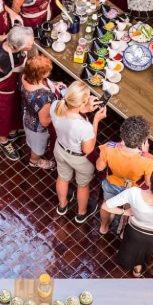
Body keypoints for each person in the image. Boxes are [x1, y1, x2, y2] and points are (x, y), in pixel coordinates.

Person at [51, 81, 106, 223]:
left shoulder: (55, 105)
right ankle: (81, 214)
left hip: (60, 149)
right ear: (81, 104)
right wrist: (96, 121)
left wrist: (84, 109)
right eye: (87, 99)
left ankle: (62, 206)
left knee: (62, 178)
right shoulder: (84, 127)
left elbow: (71, 116)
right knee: (82, 186)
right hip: (79, 159)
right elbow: (88, 149)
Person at [96, 116, 153, 235]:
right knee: (129, 209)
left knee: (107, 204)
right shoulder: (149, 160)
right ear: (144, 141)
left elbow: (99, 167)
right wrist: (145, 153)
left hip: (111, 184)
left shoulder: (109, 147)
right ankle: (123, 228)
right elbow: (148, 182)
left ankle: (103, 227)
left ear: (122, 134)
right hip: (131, 190)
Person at [0, 26, 34, 161]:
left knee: (15, 110)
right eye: (29, 43)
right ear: (17, 46)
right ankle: (4, 141)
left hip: (13, 87)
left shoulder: (16, 45)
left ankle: (13, 132)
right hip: (1, 93)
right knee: (2, 117)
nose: (31, 44)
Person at [21, 55, 64, 170]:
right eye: (47, 71)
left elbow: (41, 84)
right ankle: (34, 161)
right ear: (41, 74)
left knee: (31, 139)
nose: (49, 72)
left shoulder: (25, 77)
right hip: (37, 128)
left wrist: (53, 85)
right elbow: (44, 122)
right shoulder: (44, 97)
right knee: (37, 148)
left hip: (27, 116)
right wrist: (60, 111)